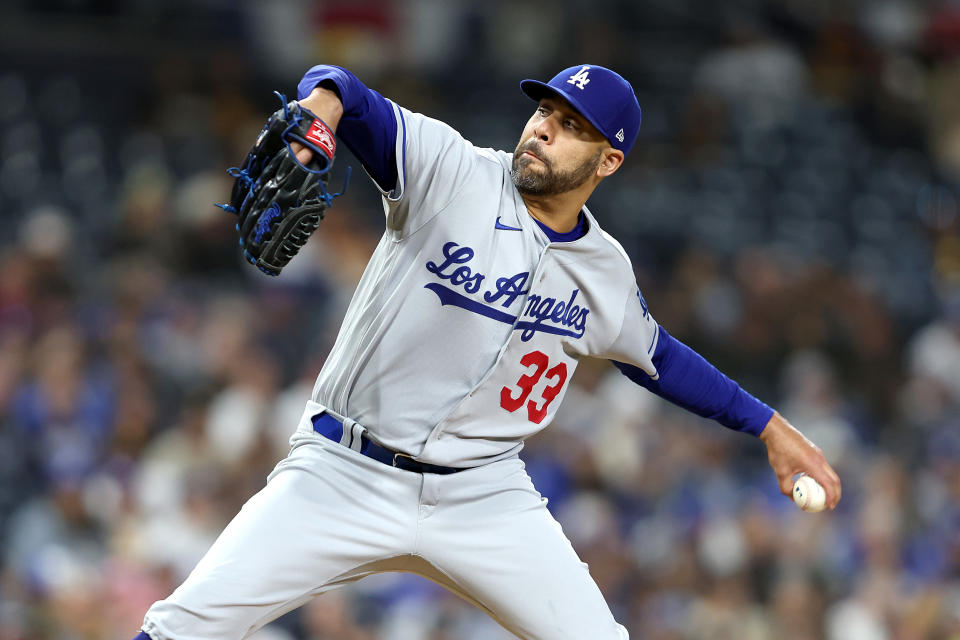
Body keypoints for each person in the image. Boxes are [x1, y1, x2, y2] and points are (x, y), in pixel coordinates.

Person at [133, 63, 841, 639]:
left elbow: (659, 359)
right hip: (343, 470)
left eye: (571, 127)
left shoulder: (605, 270)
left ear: (609, 159)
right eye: (545, 113)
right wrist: (317, 112)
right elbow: (343, 89)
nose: (543, 131)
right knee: (181, 629)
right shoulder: (450, 169)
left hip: (481, 493)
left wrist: (771, 428)